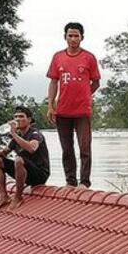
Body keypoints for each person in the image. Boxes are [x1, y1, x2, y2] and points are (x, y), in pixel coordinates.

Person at [46, 22, 101, 188]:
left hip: (82, 111)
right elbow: (54, 82)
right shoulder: (58, 57)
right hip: (63, 110)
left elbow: (96, 82)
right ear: (65, 37)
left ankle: (84, 182)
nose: (73, 39)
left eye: (76, 35)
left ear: (82, 37)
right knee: (67, 149)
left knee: (85, 148)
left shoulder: (89, 57)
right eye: (70, 35)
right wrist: (51, 106)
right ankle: (70, 181)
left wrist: (85, 94)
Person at [0, 106, 50, 211]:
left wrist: (13, 134)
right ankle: (4, 196)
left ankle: (18, 197)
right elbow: (5, 152)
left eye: (21, 116)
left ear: (29, 120)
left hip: (39, 174)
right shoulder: (16, 138)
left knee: (18, 159)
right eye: (15, 117)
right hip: (24, 171)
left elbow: (32, 148)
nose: (17, 119)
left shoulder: (35, 134)